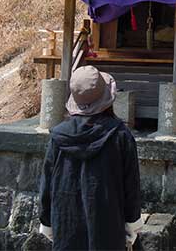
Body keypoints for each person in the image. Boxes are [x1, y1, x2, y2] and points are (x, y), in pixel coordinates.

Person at [38, 65, 143, 250]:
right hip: (109, 231)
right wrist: (132, 225)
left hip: (66, 227)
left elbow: (47, 185)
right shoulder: (120, 135)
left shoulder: (58, 137)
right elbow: (131, 188)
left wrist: (47, 222)